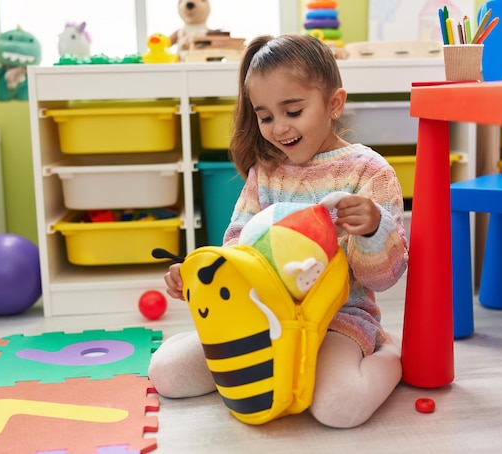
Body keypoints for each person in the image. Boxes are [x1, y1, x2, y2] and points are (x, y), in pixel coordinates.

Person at [148, 34, 408, 429]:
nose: (279, 128)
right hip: (261, 314)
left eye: (293, 111)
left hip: (339, 318)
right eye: (265, 116)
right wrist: (199, 277)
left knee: (338, 409)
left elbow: (383, 277)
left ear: (334, 103)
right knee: (166, 373)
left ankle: (388, 352)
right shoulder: (265, 172)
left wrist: (373, 228)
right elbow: (237, 247)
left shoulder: (369, 172)